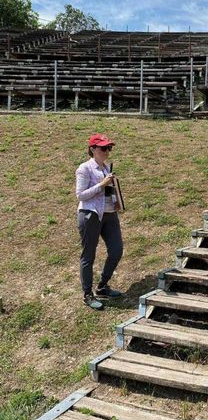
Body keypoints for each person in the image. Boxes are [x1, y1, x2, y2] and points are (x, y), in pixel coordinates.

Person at [75, 133, 124, 310]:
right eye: (103, 148)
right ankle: (87, 294)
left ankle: (102, 286)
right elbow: (80, 195)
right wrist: (102, 185)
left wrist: (116, 197)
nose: (107, 151)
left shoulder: (106, 167)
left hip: (110, 214)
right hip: (91, 214)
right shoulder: (84, 168)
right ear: (92, 149)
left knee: (117, 250)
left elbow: (108, 192)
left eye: (109, 148)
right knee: (88, 255)